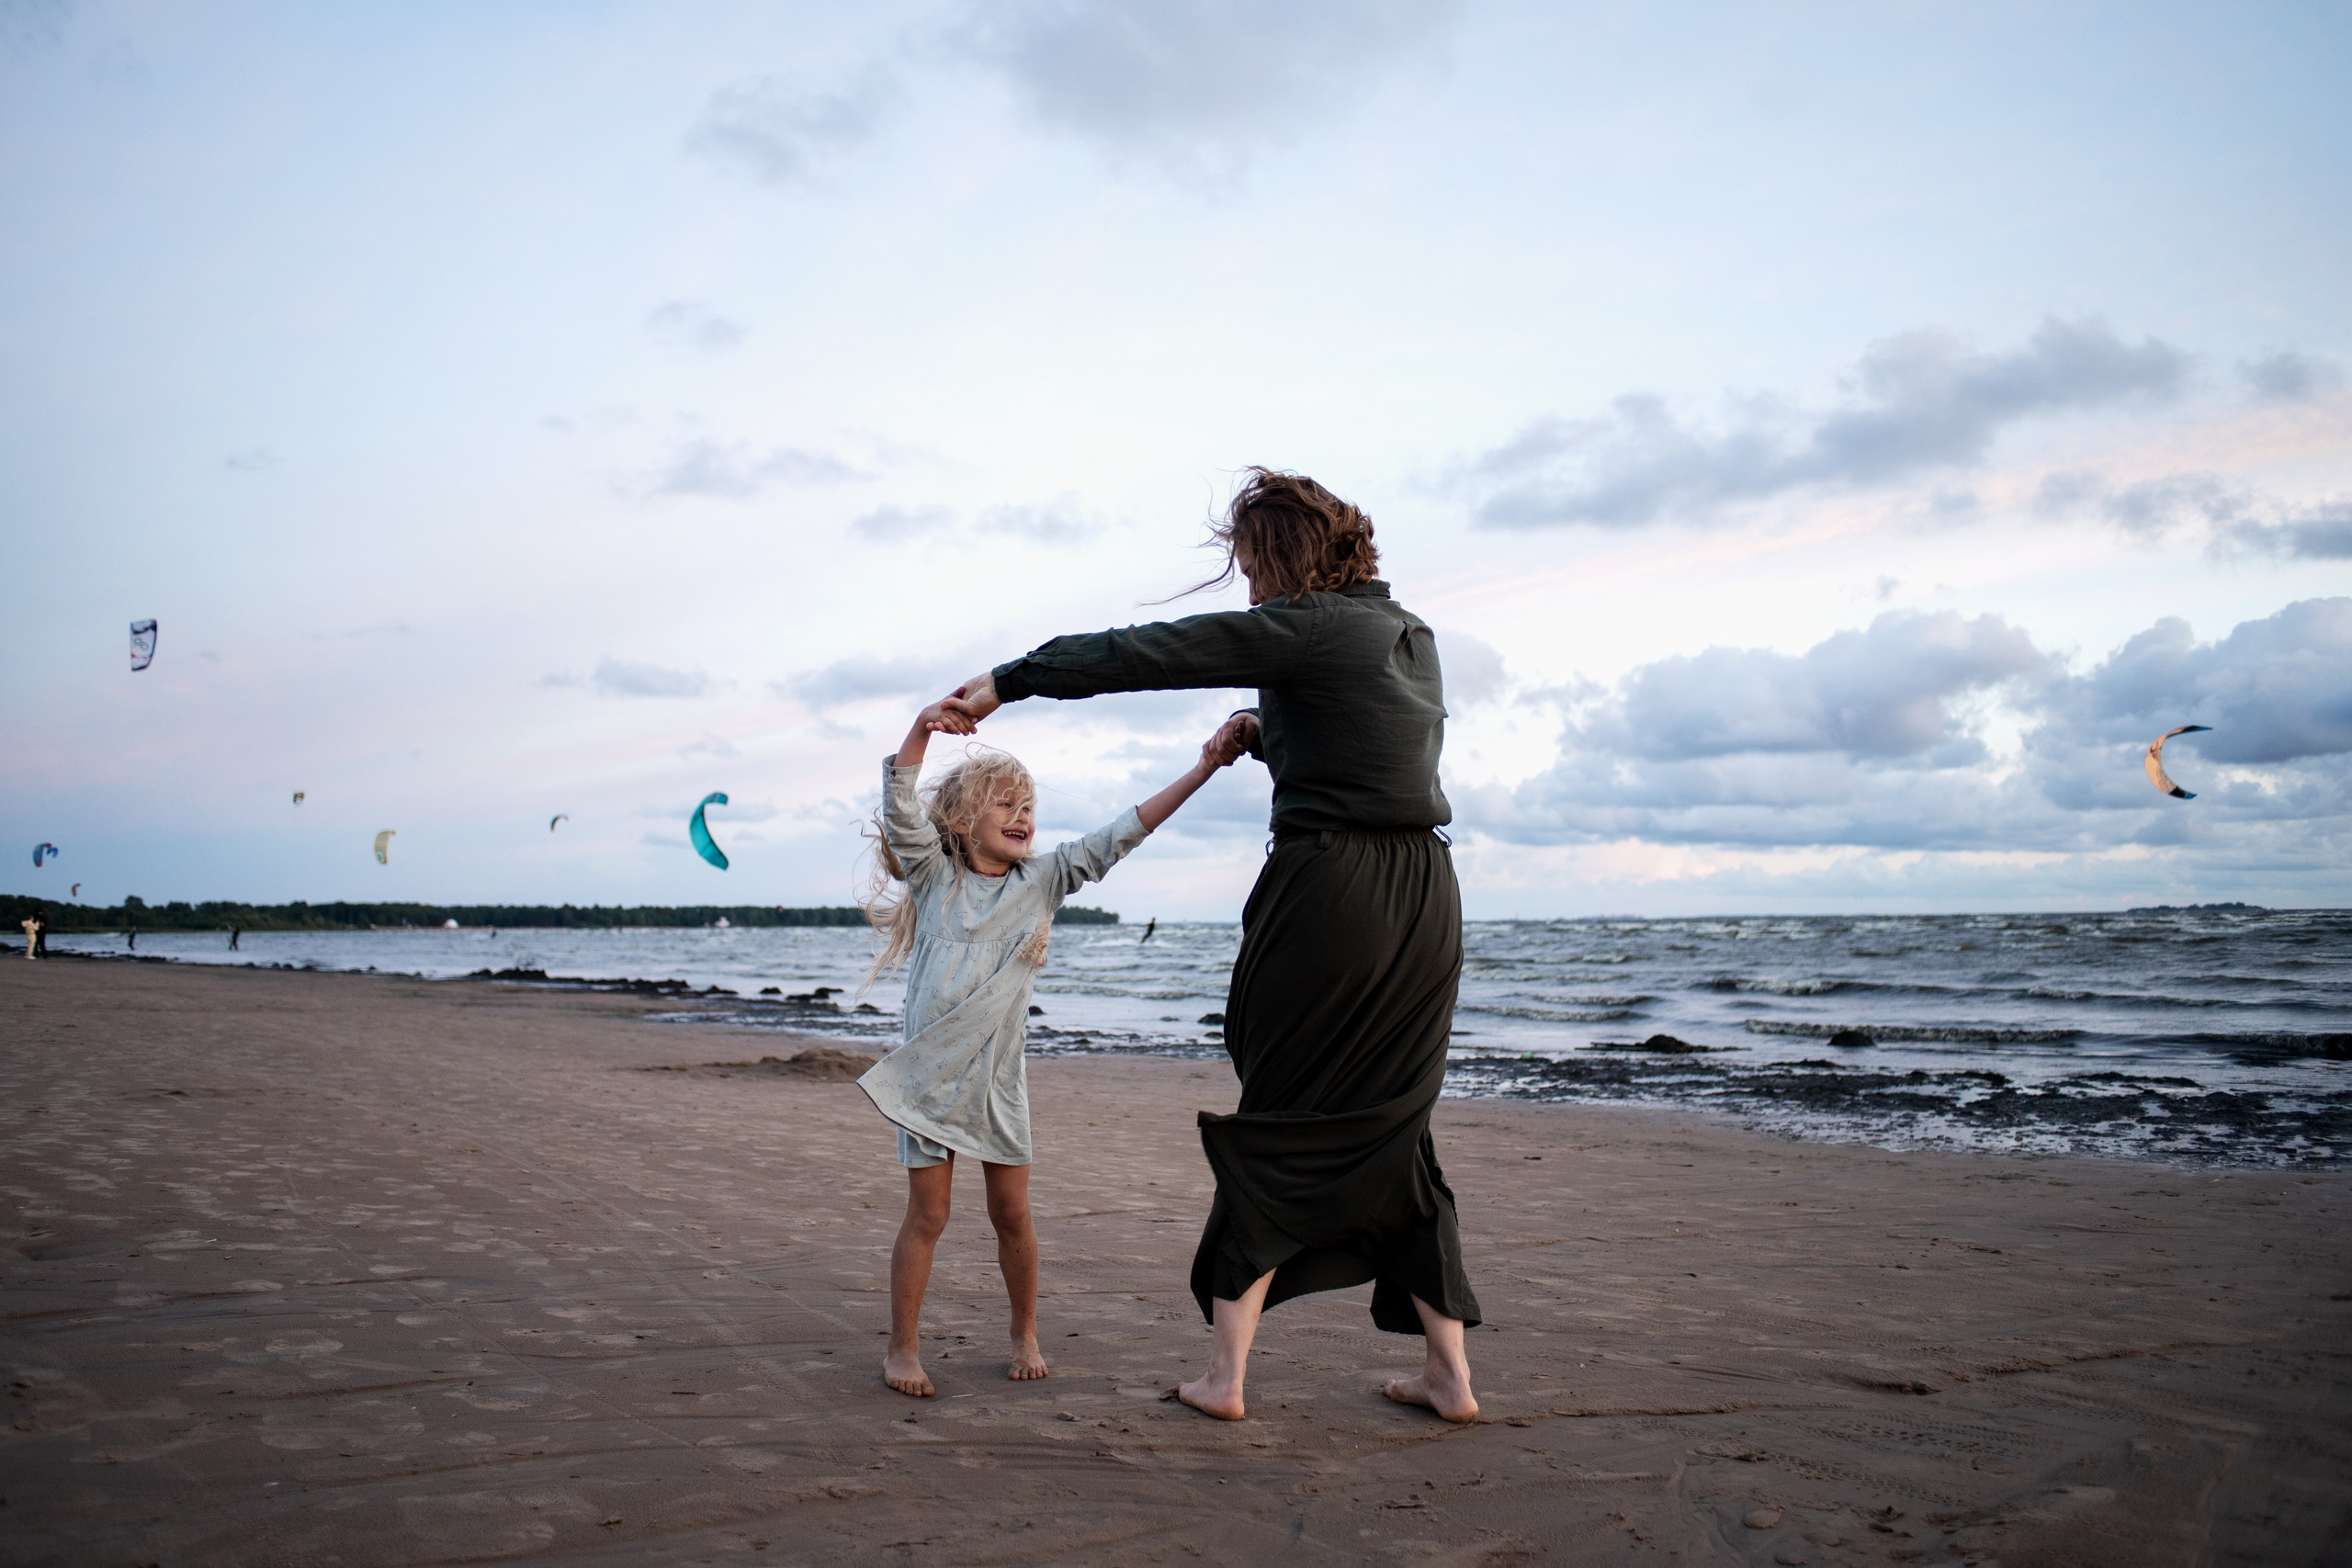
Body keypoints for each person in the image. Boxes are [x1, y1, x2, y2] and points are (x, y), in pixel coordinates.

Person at [943, 468, 1481, 1423]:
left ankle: (1225, 1379)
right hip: (1426, 897)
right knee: (1396, 1124)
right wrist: (1264, 732)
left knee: (1277, 1115)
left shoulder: (1304, 625)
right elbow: (1370, 745)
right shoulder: (1409, 637)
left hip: (1332, 895)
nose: (1247, 590)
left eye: (1249, 566)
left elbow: (1146, 653)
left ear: (1281, 557)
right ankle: (1449, 1377)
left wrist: (1008, 683)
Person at [857, 696, 1248, 1399]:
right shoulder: (934, 876)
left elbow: (1124, 832)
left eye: (1028, 804)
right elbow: (898, 802)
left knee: (1012, 1214)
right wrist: (921, 727)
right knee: (929, 1214)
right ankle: (902, 1347)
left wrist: (1204, 768)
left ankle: (1024, 1331)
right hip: (929, 1081)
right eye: (1003, 802)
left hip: (999, 1080)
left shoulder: (1044, 881)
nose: (1022, 815)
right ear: (961, 820)